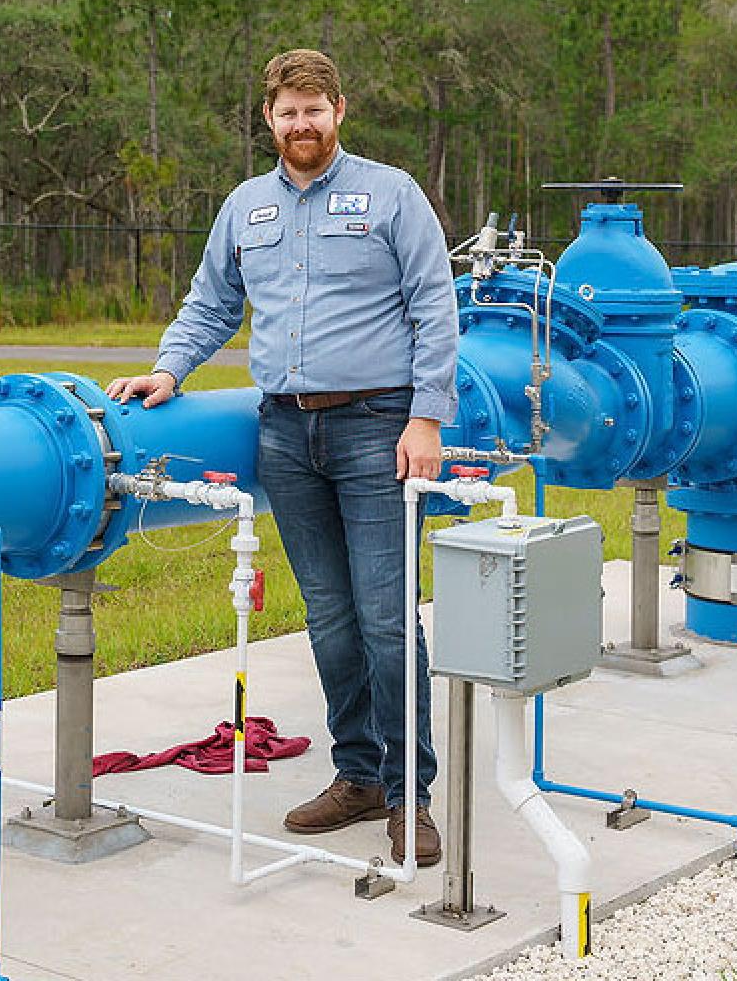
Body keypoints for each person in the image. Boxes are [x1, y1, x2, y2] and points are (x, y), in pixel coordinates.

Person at [106, 48, 458, 867]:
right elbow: (212, 301)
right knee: (330, 621)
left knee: (384, 620)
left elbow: (434, 307)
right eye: (287, 112)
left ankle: (411, 796)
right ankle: (358, 777)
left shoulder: (391, 193)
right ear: (269, 120)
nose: (302, 124)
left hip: (378, 427)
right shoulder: (246, 207)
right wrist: (168, 369)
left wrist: (426, 418)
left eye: (314, 108)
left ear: (341, 110)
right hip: (285, 436)